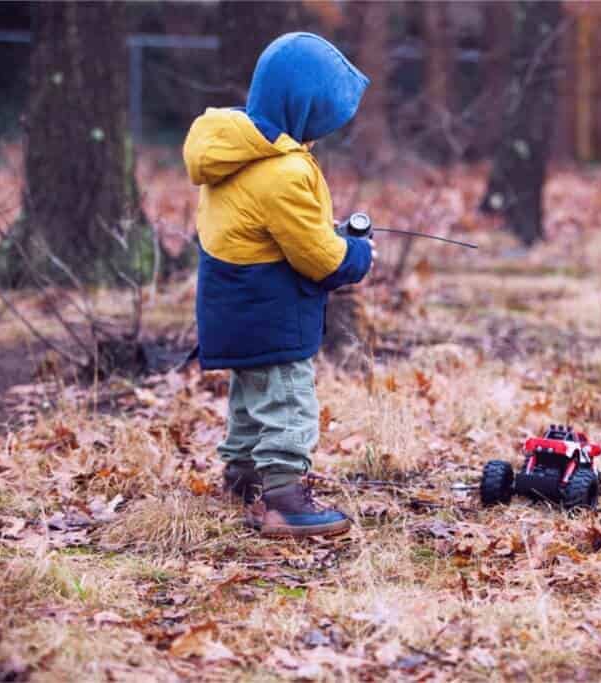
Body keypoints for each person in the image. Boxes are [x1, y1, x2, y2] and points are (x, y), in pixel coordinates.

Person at [183, 33, 374, 538]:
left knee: (251, 399)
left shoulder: (231, 152)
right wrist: (357, 253)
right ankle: (286, 498)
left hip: (231, 310)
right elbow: (320, 260)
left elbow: (267, 230)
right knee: (288, 401)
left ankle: (242, 479)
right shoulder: (285, 171)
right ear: (304, 105)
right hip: (271, 313)